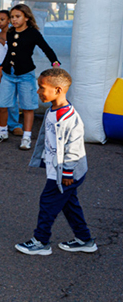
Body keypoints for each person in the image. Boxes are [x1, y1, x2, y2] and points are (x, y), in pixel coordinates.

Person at [15, 68, 96, 255]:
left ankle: (40, 241)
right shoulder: (53, 110)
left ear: (58, 90)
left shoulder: (70, 119)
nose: (38, 92)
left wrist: (67, 173)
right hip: (58, 170)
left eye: (42, 88)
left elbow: (74, 151)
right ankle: (85, 240)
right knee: (69, 204)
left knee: (48, 202)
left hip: (67, 173)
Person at [0, 4, 60, 150]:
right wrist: (2, 68)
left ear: (26, 18)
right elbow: (9, 53)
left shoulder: (33, 33)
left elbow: (46, 48)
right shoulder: (10, 32)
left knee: (27, 107)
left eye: (17, 16)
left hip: (25, 75)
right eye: (12, 17)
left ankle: (26, 137)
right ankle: (2, 131)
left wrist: (54, 62)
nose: (14, 20)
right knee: (1, 104)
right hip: (8, 74)